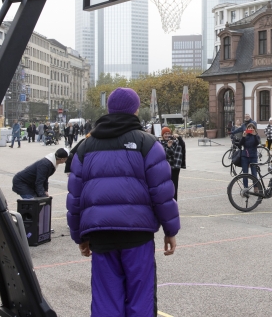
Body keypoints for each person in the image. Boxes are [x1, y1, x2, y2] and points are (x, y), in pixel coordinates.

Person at [67, 87, 179, 316]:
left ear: (108, 109)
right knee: (140, 298)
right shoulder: (147, 143)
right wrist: (170, 230)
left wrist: (80, 235)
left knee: (105, 299)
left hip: (101, 235)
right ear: (135, 110)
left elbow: (75, 197)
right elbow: (162, 192)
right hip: (137, 234)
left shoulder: (85, 147)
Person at [161, 127, 186, 201]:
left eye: (168, 133)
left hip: (174, 168)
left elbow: (182, 145)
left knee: (174, 186)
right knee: (165, 187)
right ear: (162, 135)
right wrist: (168, 147)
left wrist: (179, 137)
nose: (167, 135)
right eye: (165, 134)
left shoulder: (175, 142)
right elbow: (164, 155)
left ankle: (174, 202)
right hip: (165, 169)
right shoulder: (160, 144)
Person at [236, 123, 261, 191]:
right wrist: (243, 137)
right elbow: (240, 145)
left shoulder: (256, 136)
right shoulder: (245, 135)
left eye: (252, 128)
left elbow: (257, 143)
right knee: (245, 173)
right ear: (247, 129)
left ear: (254, 129)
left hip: (253, 156)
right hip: (245, 156)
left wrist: (254, 135)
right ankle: (246, 188)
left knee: (254, 173)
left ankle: (255, 187)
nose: (250, 129)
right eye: (249, 128)